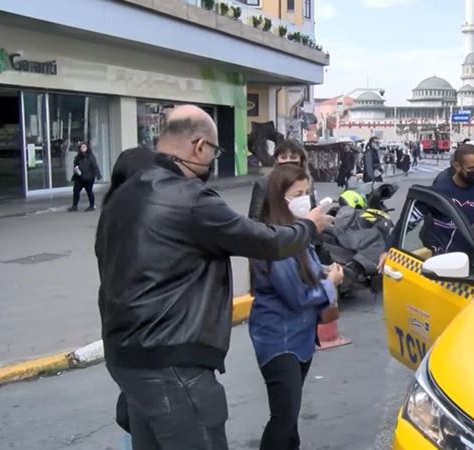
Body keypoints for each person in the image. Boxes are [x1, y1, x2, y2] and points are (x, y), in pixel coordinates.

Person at [96, 105, 332, 450]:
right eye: (215, 151)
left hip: (125, 357)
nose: (211, 161)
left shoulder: (124, 195)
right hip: (173, 362)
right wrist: (309, 226)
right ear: (199, 146)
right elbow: (265, 240)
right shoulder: (188, 198)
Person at [249, 164, 344, 450]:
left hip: (299, 338)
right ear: (281, 198)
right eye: (297, 193)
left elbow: (307, 271)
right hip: (280, 341)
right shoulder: (274, 239)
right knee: (283, 418)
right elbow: (297, 296)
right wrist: (332, 284)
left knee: (289, 418)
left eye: (307, 192)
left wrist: (325, 270)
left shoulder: (296, 235)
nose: (305, 199)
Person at [379, 144, 474, 269]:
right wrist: (389, 249)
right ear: (457, 166)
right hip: (444, 265)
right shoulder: (439, 191)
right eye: (472, 168)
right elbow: (407, 223)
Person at [249, 139, 317, 220]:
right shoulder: (264, 184)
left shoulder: (307, 181)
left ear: (301, 160)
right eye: (283, 157)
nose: (288, 161)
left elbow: (313, 209)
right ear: (277, 160)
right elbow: (254, 219)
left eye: (293, 157)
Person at [68, 142, 101, 211]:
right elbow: (75, 164)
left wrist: (98, 175)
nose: (82, 149)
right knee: (76, 191)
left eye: (84, 147)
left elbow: (95, 166)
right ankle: (74, 206)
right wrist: (76, 169)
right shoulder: (78, 157)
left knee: (89, 191)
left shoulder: (90, 157)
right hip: (79, 177)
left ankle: (92, 206)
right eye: (81, 147)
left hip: (88, 178)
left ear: (87, 148)